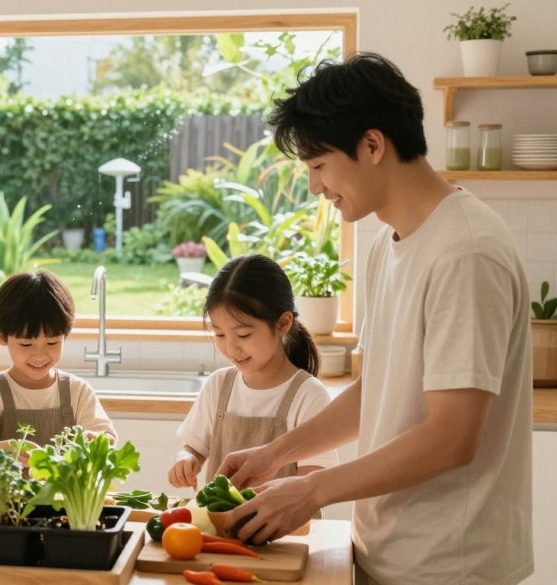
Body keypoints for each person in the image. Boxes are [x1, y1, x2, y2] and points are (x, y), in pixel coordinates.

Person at [218, 53, 533, 585]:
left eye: (319, 166)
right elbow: (379, 390)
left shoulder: (466, 253)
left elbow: (452, 436)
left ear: (372, 144)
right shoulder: (387, 246)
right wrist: (278, 454)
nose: (315, 187)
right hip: (387, 551)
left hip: (450, 567)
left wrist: (313, 491)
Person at [168, 254, 335, 490]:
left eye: (244, 335)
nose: (230, 348)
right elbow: (193, 447)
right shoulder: (219, 385)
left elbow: (312, 481)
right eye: (220, 334)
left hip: (287, 526)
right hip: (221, 526)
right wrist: (185, 460)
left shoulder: (309, 395)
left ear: (283, 323)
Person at [0, 271, 116, 452]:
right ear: (1, 336)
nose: (39, 355)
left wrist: (96, 438)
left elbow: (106, 435)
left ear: (66, 334)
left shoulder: (77, 391)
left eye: (52, 342)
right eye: (26, 344)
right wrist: (15, 448)